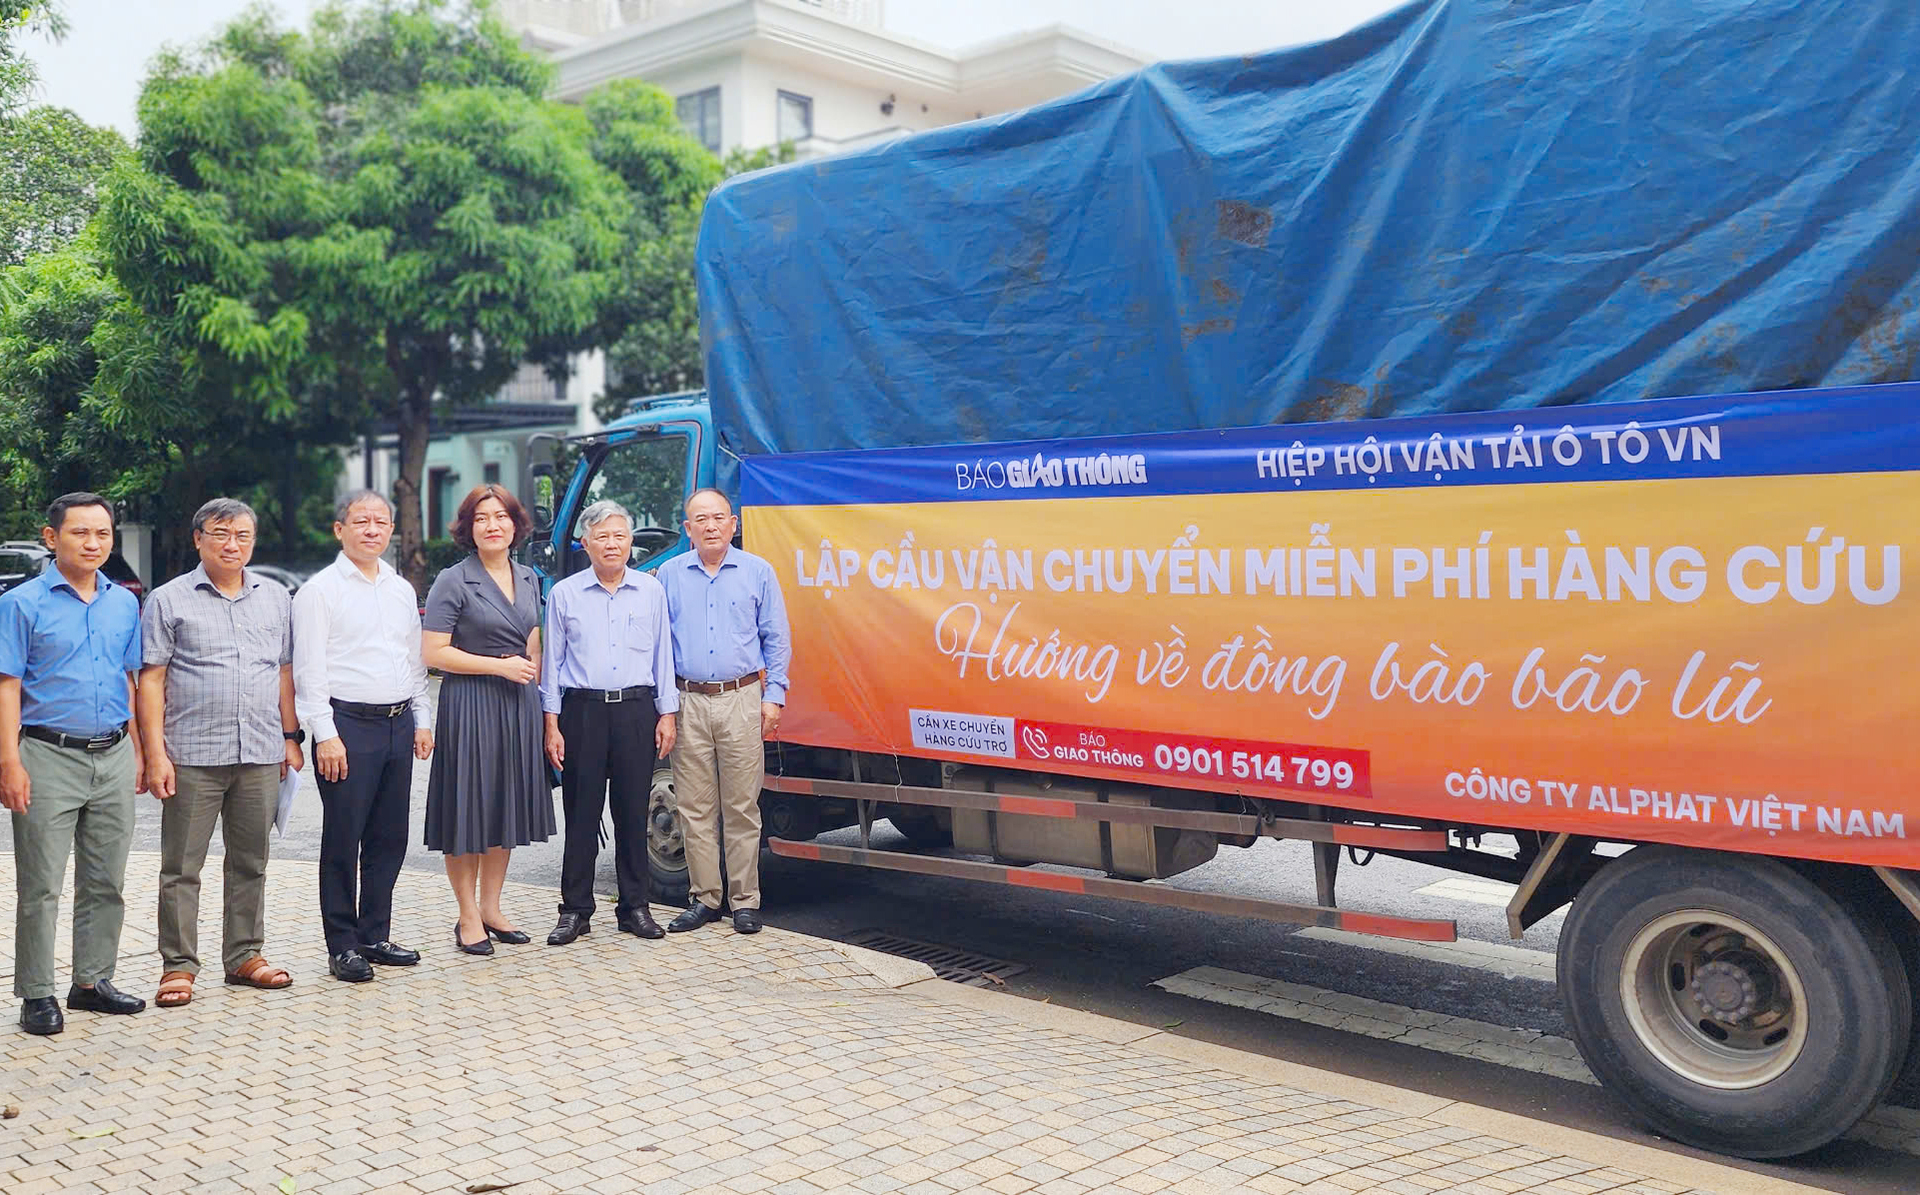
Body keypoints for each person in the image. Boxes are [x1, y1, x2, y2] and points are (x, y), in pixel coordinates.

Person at [139, 498, 302, 1009]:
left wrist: (289, 738)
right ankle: (179, 966)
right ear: (198, 539)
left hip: (258, 750)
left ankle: (245, 956)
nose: (233, 544)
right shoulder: (168, 600)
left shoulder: (276, 598)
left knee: (251, 861)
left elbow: (282, 672)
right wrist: (154, 753)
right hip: (190, 754)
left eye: (243, 536)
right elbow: (152, 679)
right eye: (221, 534)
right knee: (182, 866)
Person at [1, 493, 147, 1035]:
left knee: (106, 879)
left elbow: (131, 680)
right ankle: (36, 993)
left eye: (103, 534)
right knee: (41, 885)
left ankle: (91, 981)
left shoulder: (124, 603)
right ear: (50, 537)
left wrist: (141, 751)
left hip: (111, 752)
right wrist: (8, 761)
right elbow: (7, 687)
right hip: (45, 754)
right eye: (80, 533)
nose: (93, 543)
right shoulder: (21, 604)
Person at [292, 490, 433, 982]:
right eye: (361, 521)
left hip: (397, 724)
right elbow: (308, 671)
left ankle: (375, 934)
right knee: (343, 837)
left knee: (390, 836)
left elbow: (412, 660)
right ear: (340, 529)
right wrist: (324, 734)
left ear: (391, 530)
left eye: (381, 522)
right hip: (346, 726)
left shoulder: (398, 589)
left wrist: (422, 717)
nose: (372, 530)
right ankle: (342, 944)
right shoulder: (319, 591)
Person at [421, 485, 551, 956]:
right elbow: (433, 652)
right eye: (481, 518)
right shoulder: (453, 581)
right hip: (471, 703)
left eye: (501, 516)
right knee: (467, 809)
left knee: (504, 805)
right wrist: (500, 665)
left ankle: (493, 908)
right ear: (468, 529)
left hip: (518, 705)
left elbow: (531, 637)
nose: (492, 525)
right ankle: (467, 915)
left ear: (515, 525)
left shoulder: (528, 576)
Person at [540, 499, 677, 946]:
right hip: (582, 711)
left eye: (619, 536)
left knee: (632, 811)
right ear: (586, 544)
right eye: (602, 537)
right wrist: (552, 723)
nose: (612, 544)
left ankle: (635, 907)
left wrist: (667, 712)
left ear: (631, 542)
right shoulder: (565, 594)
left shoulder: (651, 591)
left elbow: (663, 656)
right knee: (581, 812)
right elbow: (552, 667)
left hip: (638, 710)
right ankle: (575, 910)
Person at [660, 488, 790, 936]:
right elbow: (660, 649)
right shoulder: (669, 575)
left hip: (742, 698)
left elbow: (776, 638)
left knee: (741, 805)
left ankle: (745, 901)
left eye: (719, 518)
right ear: (688, 528)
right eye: (701, 519)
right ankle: (704, 899)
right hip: (687, 700)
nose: (711, 526)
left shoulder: (758, 572)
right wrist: (665, 707)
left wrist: (774, 695)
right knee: (694, 807)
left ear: (733, 524)